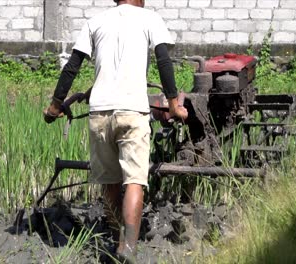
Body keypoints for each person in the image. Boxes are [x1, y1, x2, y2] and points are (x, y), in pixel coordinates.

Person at [43, 0, 188, 261]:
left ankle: (114, 236)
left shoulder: (95, 21)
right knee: (134, 180)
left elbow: (72, 66)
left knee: (110, 181)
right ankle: (128, 247)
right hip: (133, 110)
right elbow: (164, 61)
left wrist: (55, 107)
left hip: (100, 112)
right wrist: (174, 105)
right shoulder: (150, 18)